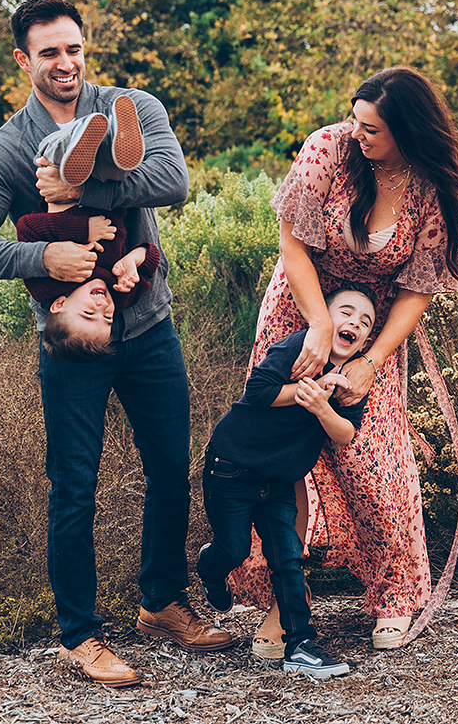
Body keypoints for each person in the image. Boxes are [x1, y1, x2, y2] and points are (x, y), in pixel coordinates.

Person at [0, 0, 234, 689]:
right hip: (74, 341)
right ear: (23, 60)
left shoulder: (133, 106)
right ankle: (79, 635)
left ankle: (161, 602)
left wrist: (90, 176)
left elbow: (174, 181)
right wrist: (43, 260)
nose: (66, 63)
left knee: (171, 467)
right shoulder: (8, 148)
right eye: (49, 52)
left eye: (74, 48)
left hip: (150, 325)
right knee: (73, 487)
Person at [230, 66, 458, 654]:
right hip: (301, 305)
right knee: (280, 456)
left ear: (408, 132)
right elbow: (292, 243)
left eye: (373, 129)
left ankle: (393, 592)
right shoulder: (328, 150)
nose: (358, 134)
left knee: (372, 455)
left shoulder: (428, 187)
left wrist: (372, 359)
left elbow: (418, 287)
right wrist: (316, 323)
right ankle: (283, 603)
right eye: (357, 121)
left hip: (372, 325)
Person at [197, 284, 376, 679]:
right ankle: (211, 568)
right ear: (325, 319)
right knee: (234, 549)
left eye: (365, 323)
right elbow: (257, 392)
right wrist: (308, 392)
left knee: (288, 558)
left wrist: (321, 406)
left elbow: (345, 433)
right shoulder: (298, 347)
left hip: (279, 479)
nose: (355, 325)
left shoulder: (352, 377)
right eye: (346, 313)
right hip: (232, 467)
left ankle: (301, 644)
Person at [16, 199, 160, 360]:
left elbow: (27, 228)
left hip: (65, 196)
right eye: (108, 318)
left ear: (59, 305)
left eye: (89, 313)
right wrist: (134, 259)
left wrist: (84, 229)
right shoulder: (121, 292)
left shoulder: (45, 288)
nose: (103, 305)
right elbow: (152, 257)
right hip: (109, 197)